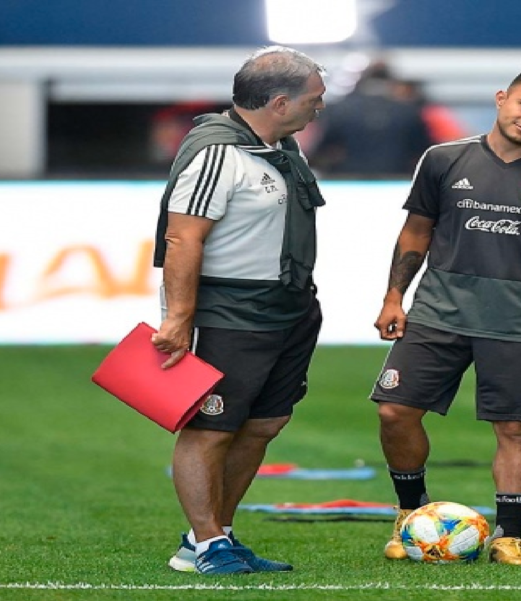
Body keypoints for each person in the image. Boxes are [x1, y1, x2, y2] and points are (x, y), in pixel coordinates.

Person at [369, 67, 521, 566]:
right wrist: (394, 297)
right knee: (394, 411)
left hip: (519, 320)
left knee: (516, 429)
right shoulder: (443, 158)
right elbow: (416, 231)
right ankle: (411, 514)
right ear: (502, 99)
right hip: (437, 311)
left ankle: (509, 535)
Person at [150, 46, 327, 575]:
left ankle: (210, 538)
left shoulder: (281, 146)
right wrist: (179, 318)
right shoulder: (216, 154)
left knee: (264, 424)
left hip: (288, 306)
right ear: (279, 103)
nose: (319, 107)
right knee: (210, 427)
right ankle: (208, 545)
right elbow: (183, 239)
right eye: (314, 99)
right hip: (230, 311)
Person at [314, 61, 433, 177]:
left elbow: (324, 149)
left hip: (350, 177)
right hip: (396, 177)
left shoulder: (339, 109)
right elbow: (422, 150)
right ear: (391, 82)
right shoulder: (409, 111)